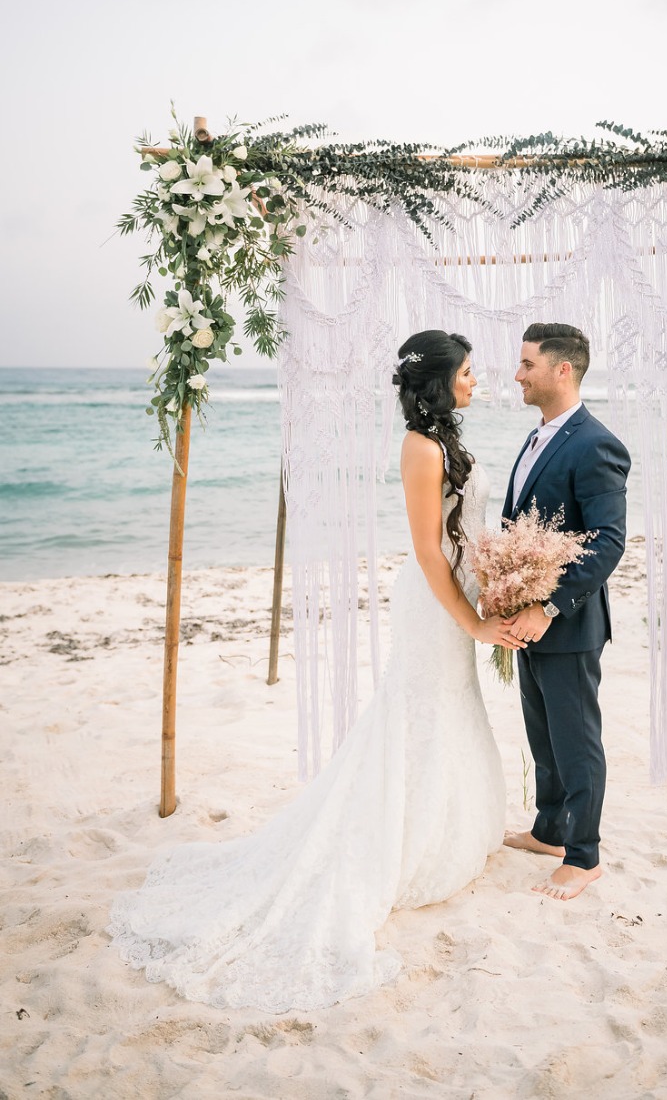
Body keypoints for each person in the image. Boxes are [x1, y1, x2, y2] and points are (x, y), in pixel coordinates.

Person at [109, 330, 523, 1014]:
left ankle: (452, 824)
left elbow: (465, 534)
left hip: (460, 596)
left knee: (452, 709)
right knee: (418, 712)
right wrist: (474, 620)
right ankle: (405, 840)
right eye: (469, 374)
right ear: (440, 382)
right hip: (434, 605)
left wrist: (501, 580)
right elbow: (428, 554)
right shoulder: (420, 449)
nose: (477, 383)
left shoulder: (448, 440)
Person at [502, 323, 630, 901]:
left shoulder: (596, 443)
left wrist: (548, 606)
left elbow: (608, 542)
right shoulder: (536, 439)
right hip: (524, 618)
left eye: (528, 364)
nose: (517, 373)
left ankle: (584, 856)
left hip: (568, 623)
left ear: (562, 369)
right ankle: (550, 830)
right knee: (542, 734)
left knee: (576, 740)